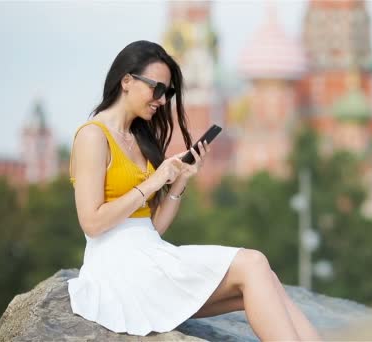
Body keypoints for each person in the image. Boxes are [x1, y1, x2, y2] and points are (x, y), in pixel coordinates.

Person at [67, 40, 322, 341]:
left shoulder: (137, 137)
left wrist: (179, 182)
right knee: (253, 263)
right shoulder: (93, 136)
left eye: (168, 93)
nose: (162, 100)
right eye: (157, 89)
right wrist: (152, 182)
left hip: (149, 257)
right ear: (126, 81)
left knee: (264, 281)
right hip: (119, 272)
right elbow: (92, 223)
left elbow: (152, 229)